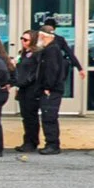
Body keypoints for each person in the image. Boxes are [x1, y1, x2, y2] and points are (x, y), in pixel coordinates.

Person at [30, 14, 74, 155]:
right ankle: (50, 143)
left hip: (51, 90)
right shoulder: (48, 49)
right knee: (47, 116)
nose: (38, 39)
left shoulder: (51, 50)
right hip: (50, 88)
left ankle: (52, 144)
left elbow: (52, 70)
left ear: (45, 36)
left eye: (39, 37)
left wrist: (48, 87)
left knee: (49, 117)